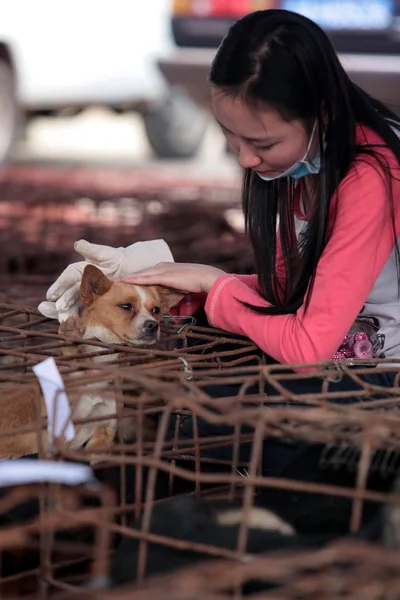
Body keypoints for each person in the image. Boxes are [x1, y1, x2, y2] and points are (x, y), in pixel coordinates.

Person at [39, 10, 400, 485]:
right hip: (324, 350)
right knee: (182, 398)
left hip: (378, 374)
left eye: (261, 142)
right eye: (230, 135)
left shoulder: (369, 175)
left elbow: (308, 345)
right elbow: (295, 294)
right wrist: (175, 276)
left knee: (206, 417)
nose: (245, 158)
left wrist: (216, 285)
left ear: (322, 114)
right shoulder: (300, 166)